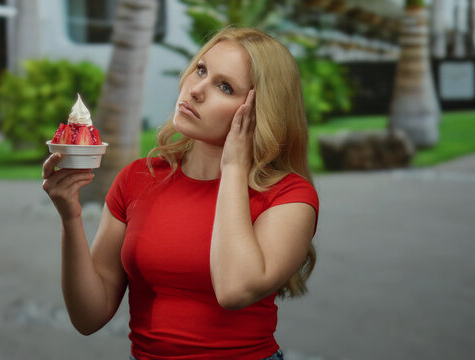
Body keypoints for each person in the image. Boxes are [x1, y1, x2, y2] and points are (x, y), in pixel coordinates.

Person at [42, 27, 319, 360]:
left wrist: (233, 169)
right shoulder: (137, 179)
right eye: (201, 69)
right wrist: (70, 217)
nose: (197, 89)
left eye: (225, 87)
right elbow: (89, 317)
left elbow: (234, 290)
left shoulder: (289, 196)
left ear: (260, 112)